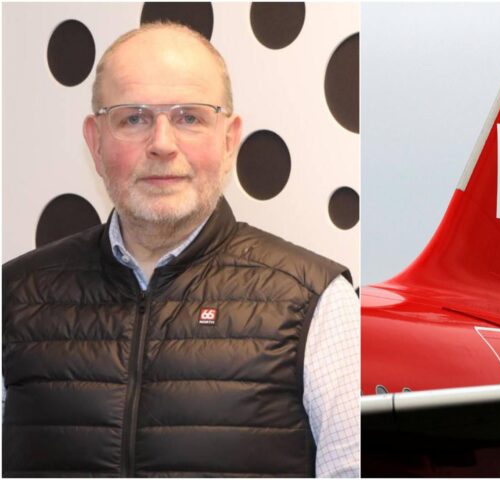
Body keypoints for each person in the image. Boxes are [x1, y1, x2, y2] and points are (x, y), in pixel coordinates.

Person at [2, 22, 359, 478]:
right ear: (95, 141)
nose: (162, 144)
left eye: (189, 117)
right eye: (134, 118)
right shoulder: (13, 296)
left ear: (229, 140)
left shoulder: (318, 305)